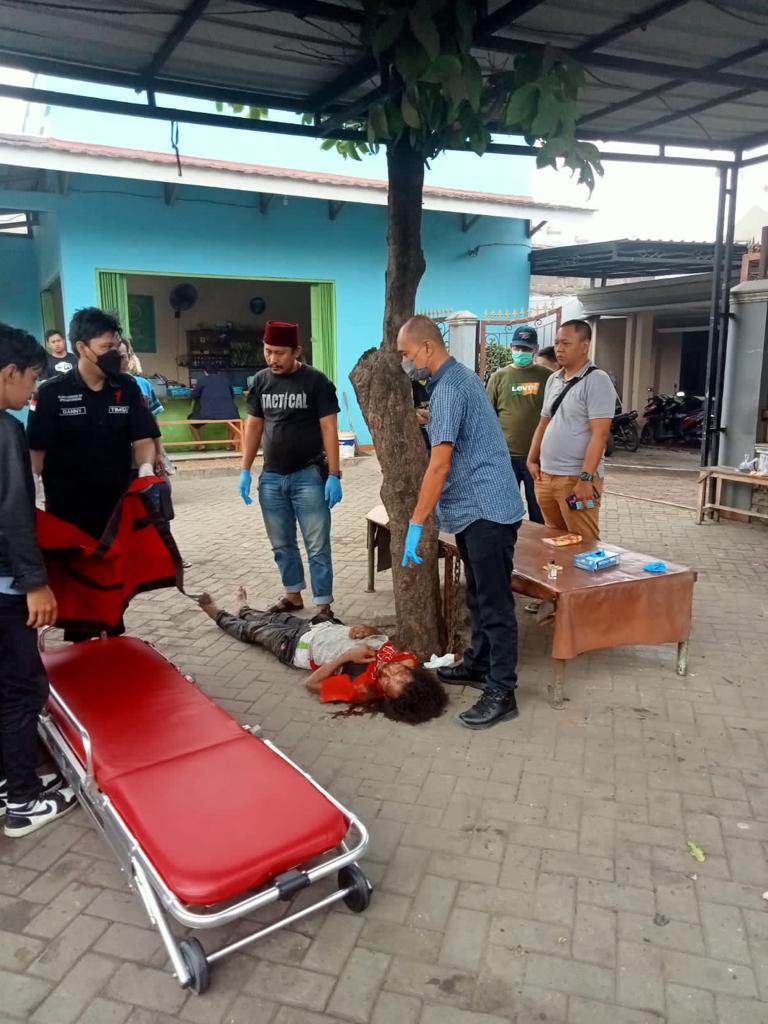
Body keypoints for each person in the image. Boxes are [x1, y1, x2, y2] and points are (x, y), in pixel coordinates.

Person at [398, 315, 524, 730]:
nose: (406, 361)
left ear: (428, 348)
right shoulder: (457, 381)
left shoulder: (449, 389)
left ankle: (502, 690)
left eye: (407, 353)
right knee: (477, 596)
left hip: (485, 507)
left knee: (494, 602)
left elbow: (439, 464)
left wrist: (417, 523)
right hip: (476, 508)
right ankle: (478, 664)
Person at [27, 308, 160, 639]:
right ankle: (80, 647)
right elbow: (36, 452)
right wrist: (28, 492)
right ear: (81, 347)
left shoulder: (127, 389)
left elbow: (143, 439)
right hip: (68, 512)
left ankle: (112, 640)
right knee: (78, 588)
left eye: (115, 346)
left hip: (116, 509)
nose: (113, 354)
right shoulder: (51, 393)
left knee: (113, 583)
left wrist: (144, 468)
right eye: (105, 348)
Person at [0, 322, 77, 837]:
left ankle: (10, 782)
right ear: (9, 372)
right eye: (31, 379)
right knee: (23, 687)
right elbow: (12, 513)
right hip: (7, 585)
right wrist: (35, 582)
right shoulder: (6, 429)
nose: (33, 391)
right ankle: (23, 801)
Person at [197, 589, 447, 724]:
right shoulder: (408, 660)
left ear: (386, 696)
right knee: (271, 617)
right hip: (318, 627)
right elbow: (383, 641)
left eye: (388, 681)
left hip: (295, 648)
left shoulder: (360, 689)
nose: (389, 672)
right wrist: (371, 630)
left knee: (251, 631)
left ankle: (217, 614)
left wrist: (345, 657)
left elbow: (311, 684)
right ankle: (245, 609)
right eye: (400, 673)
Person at [239, 321, 342, 620]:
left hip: (308, 475)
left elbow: (328, 427)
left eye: (280, 353)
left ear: (296, 351)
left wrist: (334, 474)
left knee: (317, 545)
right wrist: (245, 468)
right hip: (271, 477)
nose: (273, 359)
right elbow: (255, 424)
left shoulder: (316, 381)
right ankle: (293, 595)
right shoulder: (260, 381)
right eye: (268, 351)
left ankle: (323, 605)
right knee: (282, 544)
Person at [527, 319, 617, 540]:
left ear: (585, 345)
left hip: (575, 479)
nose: (559, 348)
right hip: (546, 477)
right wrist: (532, 459)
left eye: (566, 343)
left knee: (583, 541)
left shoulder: (597, 380)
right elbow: (543, 423)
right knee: (554, 539)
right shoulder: (553, 379)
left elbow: (600, 435)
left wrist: (586, 478)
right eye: (557, 343)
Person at [486, 325, 552, 524]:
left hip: (537, 457)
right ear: (511, 347)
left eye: (526, 349)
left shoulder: (547, 377)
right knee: (506, 512)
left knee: (538, 511)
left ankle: (539, 552)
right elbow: (488, 417)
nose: (521, 353)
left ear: (535, 349)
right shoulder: (499, 377)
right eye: (517, 348)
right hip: (506, 456)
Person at [188, 363, 239, 451]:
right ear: (218, 372)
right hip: (229, 414)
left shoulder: (202, 380)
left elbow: (193, 395)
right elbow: (232, 395)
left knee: (191, 422)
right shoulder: (225, 380)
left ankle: (200, 445)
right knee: (235, 421)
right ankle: (228, 445)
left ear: (205, 372)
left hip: (207, 414)